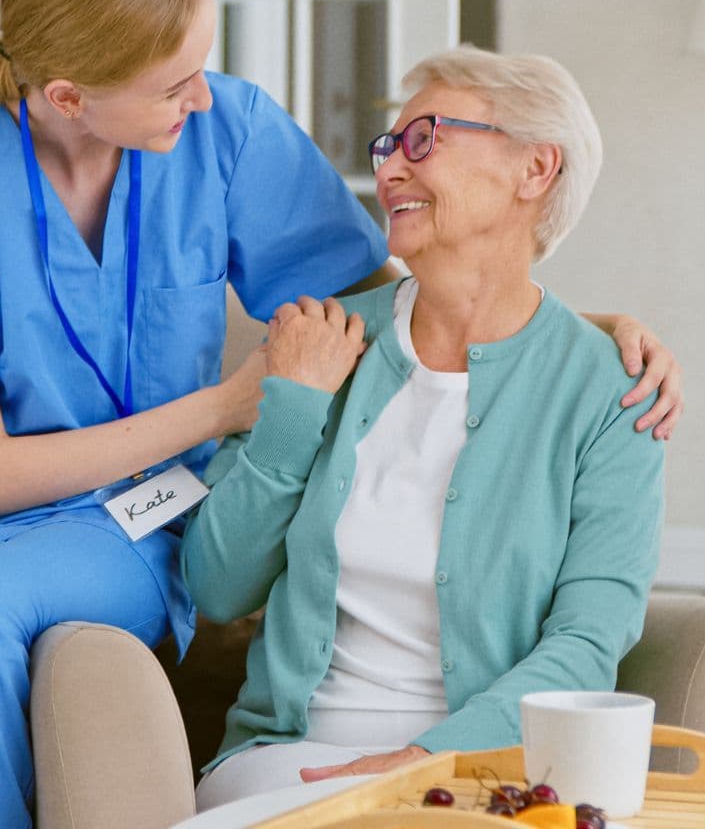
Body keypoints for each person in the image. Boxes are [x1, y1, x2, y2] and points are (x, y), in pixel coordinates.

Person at [0, 0, 677, 828]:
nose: (204, 95)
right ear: (72, 97)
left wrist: (572, 334)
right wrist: (229, 407)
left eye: (204, 63)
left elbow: (393, 292)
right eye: (174, 82)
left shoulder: (226, 130)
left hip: (121, 514)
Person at [183, 46, 666, 810]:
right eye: (387, 147)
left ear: (535, 170)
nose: (389, 171)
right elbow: (216, 586)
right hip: (292, 761)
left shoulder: (611, 392)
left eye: (424, 139)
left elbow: (588, 638)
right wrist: (293, 413)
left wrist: (422, 761)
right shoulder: (321, 343)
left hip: (491, 769)